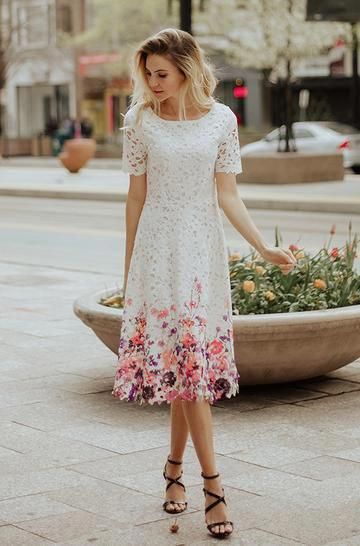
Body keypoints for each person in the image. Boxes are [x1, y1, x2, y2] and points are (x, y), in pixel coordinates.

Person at [112, 28, 297, 539]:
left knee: (188, 364)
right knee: (186, 365)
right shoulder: (139, 121)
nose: (153, 83)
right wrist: (130, 268)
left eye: (162, 73)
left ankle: (174, 472)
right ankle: (213, 487)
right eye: (147, 74)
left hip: (201, 250)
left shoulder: (222, 119)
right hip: (157, 250)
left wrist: (262, 247)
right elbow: (135, 197)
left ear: (188, 68)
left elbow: (228, 196)